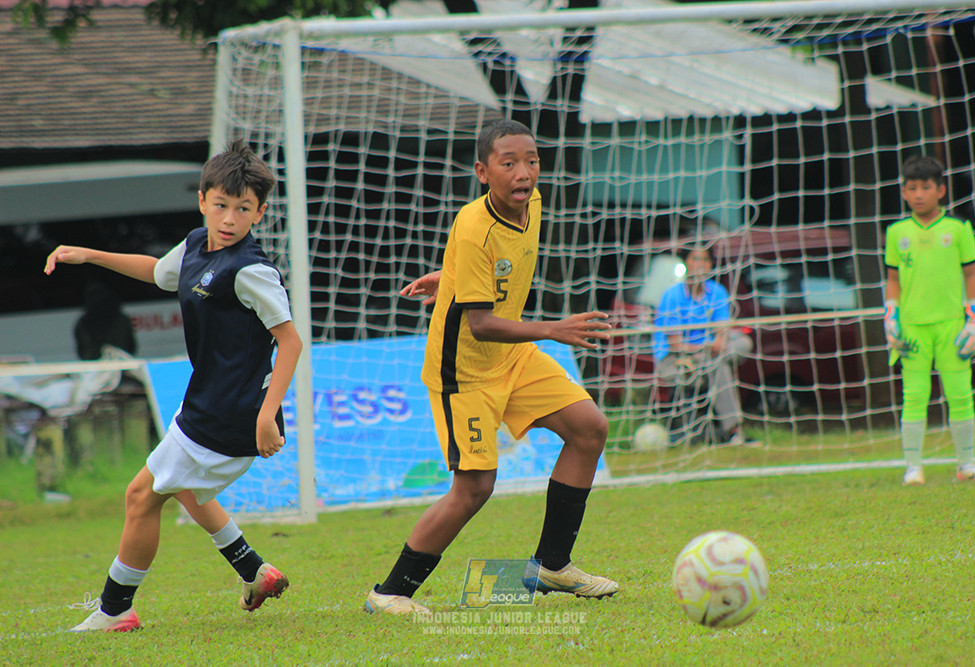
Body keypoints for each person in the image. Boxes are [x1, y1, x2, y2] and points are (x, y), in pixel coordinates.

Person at [44, 140, 303, 631]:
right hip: (205, 402)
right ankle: (255, 571)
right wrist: (90, 255)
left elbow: (290, 343)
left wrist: (267, 414)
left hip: (233, 413)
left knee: (142, 495)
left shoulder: (251, 270)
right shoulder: (196, 245)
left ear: (260, 213)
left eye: (243, 208)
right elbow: (159, 272)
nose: (229, 218)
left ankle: (115, 610)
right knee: (183, 488)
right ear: (203, 199)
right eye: (221, 205)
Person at [364, 119, 618, 616]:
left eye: (532, 161)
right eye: (509, 164)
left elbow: (487, 268)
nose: (523, 173)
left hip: (512, 356)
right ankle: (389, 592)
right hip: (465, 370)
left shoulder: (533, 204)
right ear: (483, 171)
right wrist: (554, 328)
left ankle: (552, 565)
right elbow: (480, 323)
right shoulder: (475, 223)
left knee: (589, 428)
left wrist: (450, 274)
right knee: (475, 487)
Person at [884, 154, 975, 486]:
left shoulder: (958, 228)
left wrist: (974, 318)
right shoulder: (896, 231)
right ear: (903, 192)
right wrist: (891, 316)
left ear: (940, 190)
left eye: (925, 187)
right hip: (913, 327)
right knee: (914, 395)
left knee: (959, 394)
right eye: (911, 188)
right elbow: (893, 279)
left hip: (952, 325)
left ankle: (966, 465)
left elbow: (971, 274)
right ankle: (913, 467)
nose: (918, 194)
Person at [652, 245, 758, 447]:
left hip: (707, 355)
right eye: (694, 259)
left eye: (704, 260)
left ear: (710, 264)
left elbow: (723, 330)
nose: (699, 265)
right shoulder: (672, 295)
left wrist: (719, 341)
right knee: (718, 364)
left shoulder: (717, 292)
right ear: (686, 264)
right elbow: (675, 343)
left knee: (743, 342)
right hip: (676, 359)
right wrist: (710, 345)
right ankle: (734, 432)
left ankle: (731, 432)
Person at [74, 282, 138, 360]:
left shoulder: (82, 323)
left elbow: (81, 350)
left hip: (95, 366)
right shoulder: (123, 320)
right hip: (121, 362)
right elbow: (131, 347)